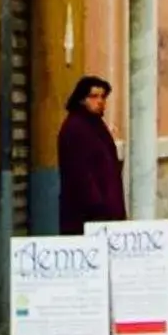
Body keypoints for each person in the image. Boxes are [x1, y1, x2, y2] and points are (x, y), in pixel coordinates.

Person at [57, 74, 126, 236]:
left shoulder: (95, 125)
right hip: (87, 217)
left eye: (103, 96)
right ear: (81, 99)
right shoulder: (75, 127)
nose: (100, 101)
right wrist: (99, 208)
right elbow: (80, 174)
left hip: (104, 214)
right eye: (94, 96)